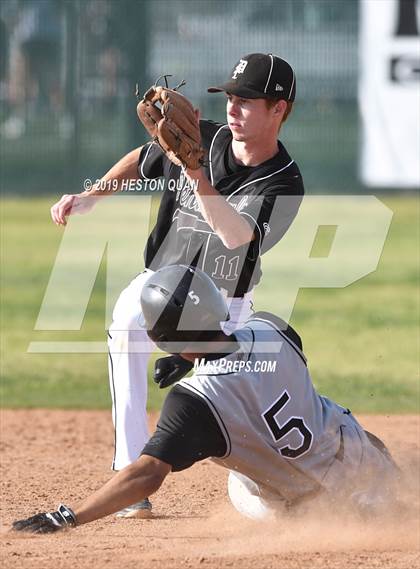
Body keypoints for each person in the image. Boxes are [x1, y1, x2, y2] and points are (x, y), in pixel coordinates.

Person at [50, 53, 304, 517]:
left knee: (238, 417)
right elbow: (141, 160)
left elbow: (235, 236)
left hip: (227, 305)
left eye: (247, 100)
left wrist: (195, 173)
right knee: (126, 322)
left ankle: (285, 483)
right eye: (230, 96)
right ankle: (130, 477)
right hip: (162, 286)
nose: (233, 107)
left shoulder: (283, 183)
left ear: (279, 109)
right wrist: (91, 195)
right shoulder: (201, 138)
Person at [12, 265, 398, 534]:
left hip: (327, 513)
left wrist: (68, 516)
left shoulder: (194, 403)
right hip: (369, 464)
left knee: (239, 485)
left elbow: (144, 475)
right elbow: (245, 363)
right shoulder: (272, 327)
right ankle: (393, 485)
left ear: (161, 338)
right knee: (317, 408)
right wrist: (190, 355)